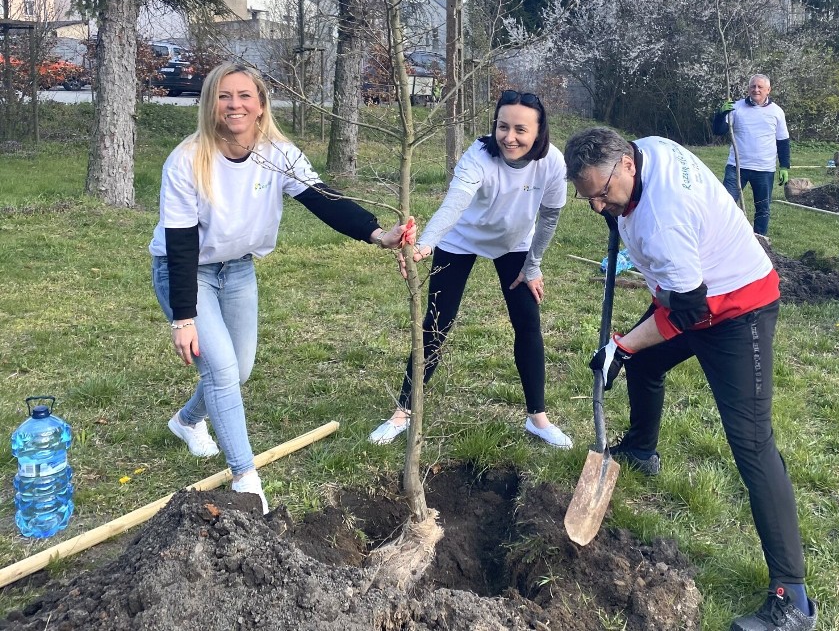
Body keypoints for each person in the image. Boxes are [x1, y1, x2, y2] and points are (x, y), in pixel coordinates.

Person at [565, 127, 816, 631]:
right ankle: (640, 450)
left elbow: (690, 313)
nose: (596, 207)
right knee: (645, 363)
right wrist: (616, 213)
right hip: (689, 289)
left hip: (736, 308)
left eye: (601, 194)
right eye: (587, 197)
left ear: (626, 167)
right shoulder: (648, 150)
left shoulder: (664, 218)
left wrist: (623, 343)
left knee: (751, 442)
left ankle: (793, 600)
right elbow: (675, 292)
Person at [150, 62, 414, 514]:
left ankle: (187, 421)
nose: (234, 105)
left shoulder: (278, 154)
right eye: (223, 96)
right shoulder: (187, 159)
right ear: (210, 103)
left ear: (260, 104)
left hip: (236, 270)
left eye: (244, 96)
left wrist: (376, 233)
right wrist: (183, 317)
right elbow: (179, 243)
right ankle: (246, 479)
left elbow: (322, 199)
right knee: (223, 372)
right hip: (186, 270)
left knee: (239, 369)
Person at [368, 90, 572, 449]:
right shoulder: (478, 156)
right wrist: (426, 243)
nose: (510, 137)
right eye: (502, 126)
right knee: (436, 324)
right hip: (461, 240)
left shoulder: (553, 163)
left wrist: (534, 264)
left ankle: (537, 418)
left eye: (520, 130)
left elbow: (551, 217)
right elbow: (454, 204)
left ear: (539, 133)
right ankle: (403, 411)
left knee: (528, 322)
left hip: (514, 244)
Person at [713, 74, 791, 236]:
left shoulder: (777, 112)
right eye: (753, 86)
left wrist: (784, 166)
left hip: (764, 169)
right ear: (748, 89)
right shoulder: (736, 107)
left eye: (760, 87)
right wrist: (720, 114)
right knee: (724, 204)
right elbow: (718, 131)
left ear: (768, 90)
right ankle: (721, 238)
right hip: (737, 167)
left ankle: (760, 242)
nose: (756, 90)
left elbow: (783, 141)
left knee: (763, 208)